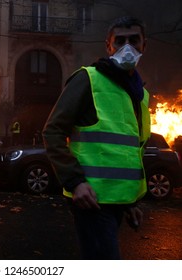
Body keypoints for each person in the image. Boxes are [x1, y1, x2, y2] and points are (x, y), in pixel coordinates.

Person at [42, 16, 151, 259]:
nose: (127, 47)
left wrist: (130, 202)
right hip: (90, 199)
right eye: (119, 41)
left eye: (134, 40)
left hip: (118, 200)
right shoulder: (88, 79)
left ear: (145, 45)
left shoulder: (141, 94)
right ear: (108, 46)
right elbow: (53, 131)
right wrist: (75, 182)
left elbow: (132, 149)